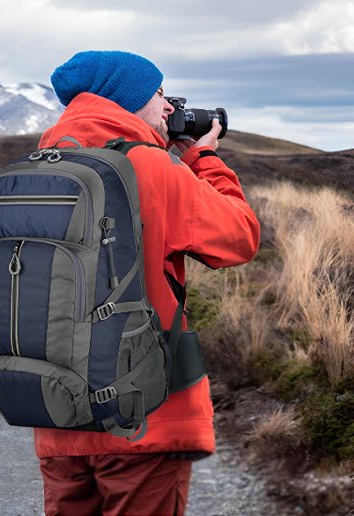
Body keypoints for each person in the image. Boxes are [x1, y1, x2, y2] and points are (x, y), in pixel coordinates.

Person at [36, 50, 261, 516]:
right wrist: (203, 160)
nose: (167, 108)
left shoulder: (39, 166)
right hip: (144, 417)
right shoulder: (150, 167)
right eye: (159, 94)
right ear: (129, 98)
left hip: (56, 416)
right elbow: (239, 237)